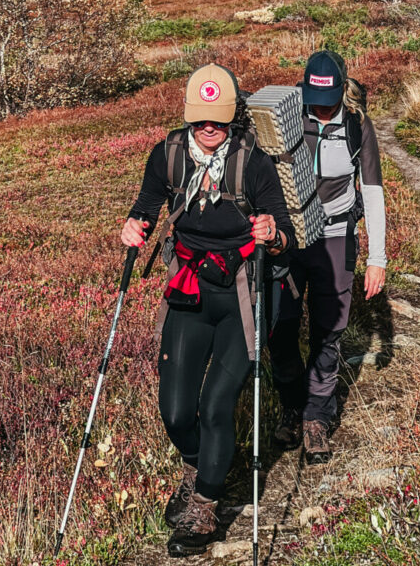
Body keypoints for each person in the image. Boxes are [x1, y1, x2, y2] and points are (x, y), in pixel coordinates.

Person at [121, 63, 295, 558]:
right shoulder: (170, 155)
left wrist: (271, 234)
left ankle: (205, 505)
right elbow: (146, 206)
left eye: (217, 118)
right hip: (189, 290)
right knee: (175, 412)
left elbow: (284, 233)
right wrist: (134, 226)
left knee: (217, 405)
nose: (208, 127)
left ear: (232, 115)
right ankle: (203, 465)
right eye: (200, 118)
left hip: (244, 294)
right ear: (189, 116)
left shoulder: (253, 163)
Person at [268, 50, 387, 464]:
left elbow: (371, 190)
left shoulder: (357, 125)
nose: (320, 108)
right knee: (279, 327)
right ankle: (292, 404)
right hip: (288, 240)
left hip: (336, 237)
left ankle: (317, 417)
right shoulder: (287, 119)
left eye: (328, 99)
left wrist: (378, 257)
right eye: (314, 100)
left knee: (328, 330)